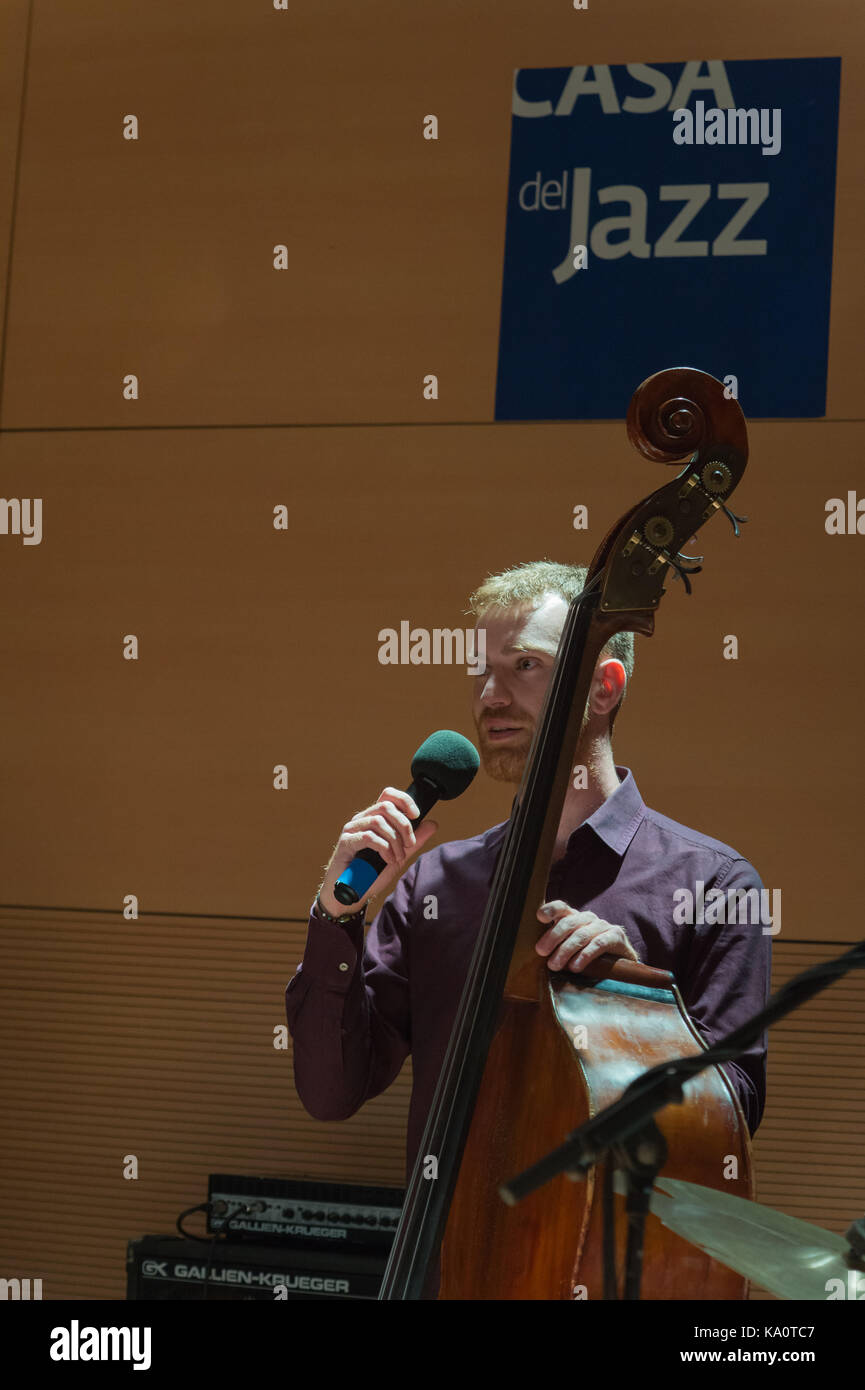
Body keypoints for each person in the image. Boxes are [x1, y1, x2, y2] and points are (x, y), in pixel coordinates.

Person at [285, 560, 771, 1284]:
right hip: (442, 1270)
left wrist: (636, 1002)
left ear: (603, 687)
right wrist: (336, 917)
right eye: (481, 672)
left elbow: (729, 1125)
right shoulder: (437, 882)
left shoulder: (712, 884)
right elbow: (329, 1094)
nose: (489, 696)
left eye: (524, 666)